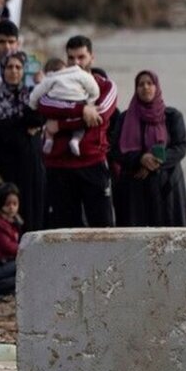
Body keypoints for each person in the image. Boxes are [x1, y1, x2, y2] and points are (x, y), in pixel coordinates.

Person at [39, 36, 118, 228]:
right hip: (59, 165)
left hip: (92, 163)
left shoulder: (106, 86)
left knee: (103, 228)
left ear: (92, 58)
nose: (76, 63)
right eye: (71, 58)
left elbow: (99, 116)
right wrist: (81, 110)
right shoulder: (54, 85)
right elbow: (43, 104)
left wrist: (60, 124)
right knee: (64, 230)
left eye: (81, 57)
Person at [108, 71, 186, 228]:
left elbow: (180, 148)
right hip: (135, 190)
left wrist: (154, 161)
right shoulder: (125, 119)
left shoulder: (172, 117)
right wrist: (139, 158)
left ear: (156, 87)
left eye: (149, 83)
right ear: (136, 89)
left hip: (167, 188)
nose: (145, 87)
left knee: (170, 240)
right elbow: (115, 151)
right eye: (141, 84)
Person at [0, 52, 45, 232]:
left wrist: (40, 85)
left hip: (29, 167)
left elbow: (38, 119)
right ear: (2, 70)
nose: (14, 71)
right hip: (3, 165)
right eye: (9, 67)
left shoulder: (31, 94)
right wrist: (21, 124)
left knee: (30, 214)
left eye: (18, 67)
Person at [28, 65, 100, 156]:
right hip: (79, 101)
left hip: (57, 102)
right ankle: (75, 140)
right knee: (80, 129)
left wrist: (32, 105)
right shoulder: (81, 74)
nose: (76, 61)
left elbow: (37, 92)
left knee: (50, 122)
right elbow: (94, 89)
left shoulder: (51, 78)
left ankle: (49, 139)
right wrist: (90, 103)